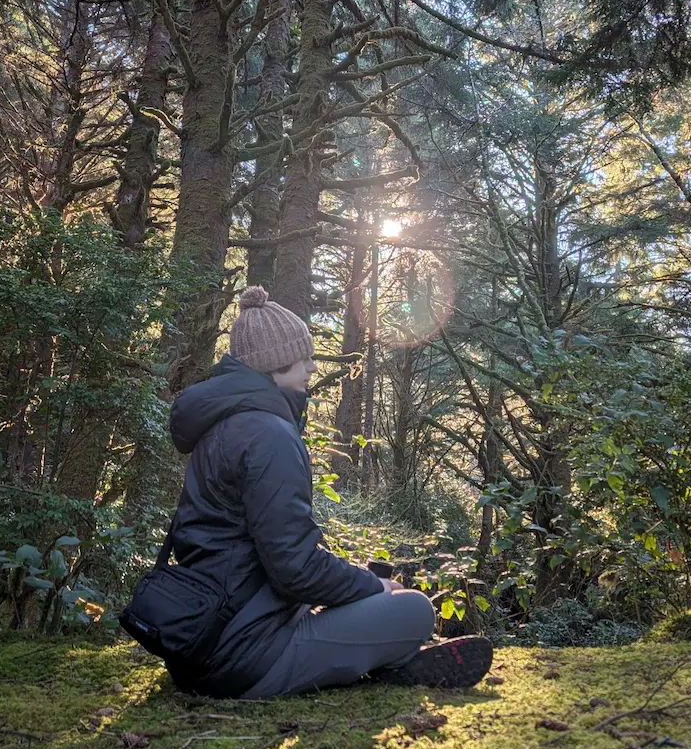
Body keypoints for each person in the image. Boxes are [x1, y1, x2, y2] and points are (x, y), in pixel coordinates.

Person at [163, 286, 493, 699]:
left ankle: (390, 659)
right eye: (304, 359)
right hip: (244, 658)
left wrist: (357, 579)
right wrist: (373, 589)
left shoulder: (226, 427)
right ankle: (393, 658)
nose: (312, 369)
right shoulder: (268, 435)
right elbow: (294, 567)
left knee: (368, 584)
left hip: (204, 637)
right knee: (413, 609)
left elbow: (263, 555)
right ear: (273, 365)